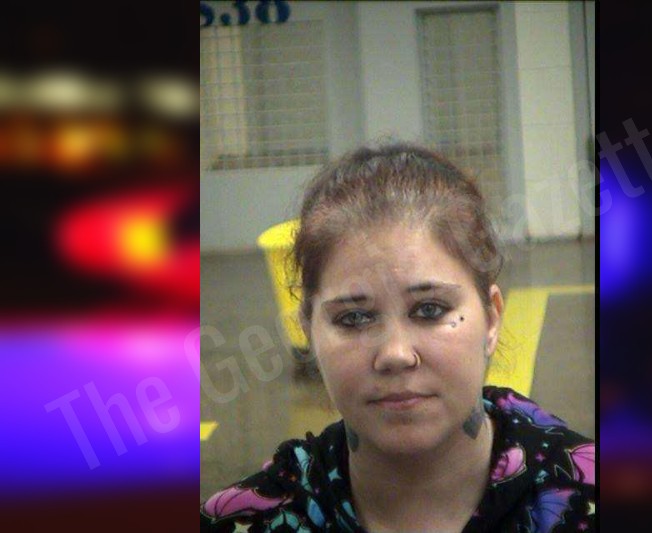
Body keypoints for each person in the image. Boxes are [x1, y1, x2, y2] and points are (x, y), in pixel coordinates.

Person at [200, 143, 595, 532]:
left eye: (430, 309)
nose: (396, 354)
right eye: (354, 318)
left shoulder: (585, 496)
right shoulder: (250, 521)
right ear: (309, 331)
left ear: (491, 318)